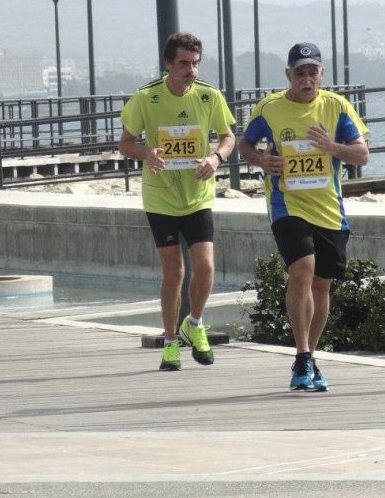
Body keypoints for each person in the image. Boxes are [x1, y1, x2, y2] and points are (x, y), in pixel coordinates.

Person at [239, 42, 369, 392]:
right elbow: (244, 143)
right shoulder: (270, 108)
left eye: (313, 72)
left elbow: (362, 155)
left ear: (321, 74)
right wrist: (261, 160)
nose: (307, 79)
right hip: (287, 205)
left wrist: (332, 147)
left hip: (329, 209)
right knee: (302, 270)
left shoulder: (337, 107)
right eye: (300, 72)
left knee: (322, 285)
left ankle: (310, 355)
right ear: (289, 75)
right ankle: (301, 354)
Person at [119, 32, 235, 371]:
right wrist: (147, 153)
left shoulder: (209, 96)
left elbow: (228, 136)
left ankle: (194, 323)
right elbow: (125, 142)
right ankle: (170, 342)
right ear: (168, 64)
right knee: (174, 271)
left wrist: (215, 158)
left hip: (198, 194)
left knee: (206, 267)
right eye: (183, 64)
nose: (191, 70)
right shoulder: (146, 98)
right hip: (161, 197)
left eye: (195, 63)